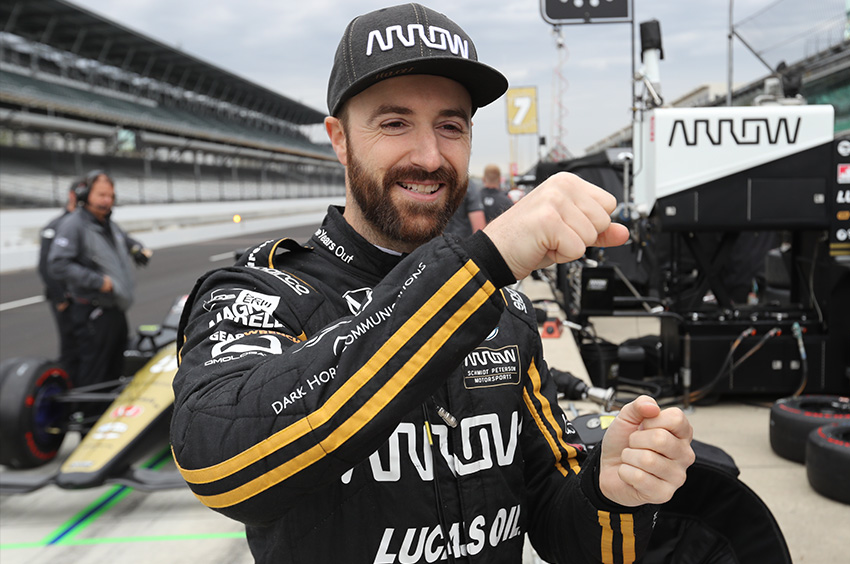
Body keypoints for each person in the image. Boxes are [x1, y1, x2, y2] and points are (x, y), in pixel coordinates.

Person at [170, 5, 694, 564]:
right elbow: (219, 464)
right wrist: (481, 265)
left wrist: (614, 493)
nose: (429, 156)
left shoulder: (506, 312)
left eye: (451, 126)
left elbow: (563, 526)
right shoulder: (263, 291)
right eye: (394, 123)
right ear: (340, 138)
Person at [48, 170, 152, 389]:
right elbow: (58, 264)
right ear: (86, 195)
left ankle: (109, 416)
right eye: (102, 195)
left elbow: (124, 240)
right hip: (92, 313)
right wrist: (98, 282)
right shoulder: (73, 225)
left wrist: (138, 250)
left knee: (115, 368)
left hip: (114, 310)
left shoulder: (107, 224)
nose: (107, 201)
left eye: (111, 196)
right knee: (95, 371)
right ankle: (86, 419)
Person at [38, 179, 82, 377]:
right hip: (66, 298)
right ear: (72, 195)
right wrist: (60, 298)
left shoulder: (86, 224)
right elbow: (45, 266)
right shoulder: (56, 225)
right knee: (71, 345)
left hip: (84, 296)